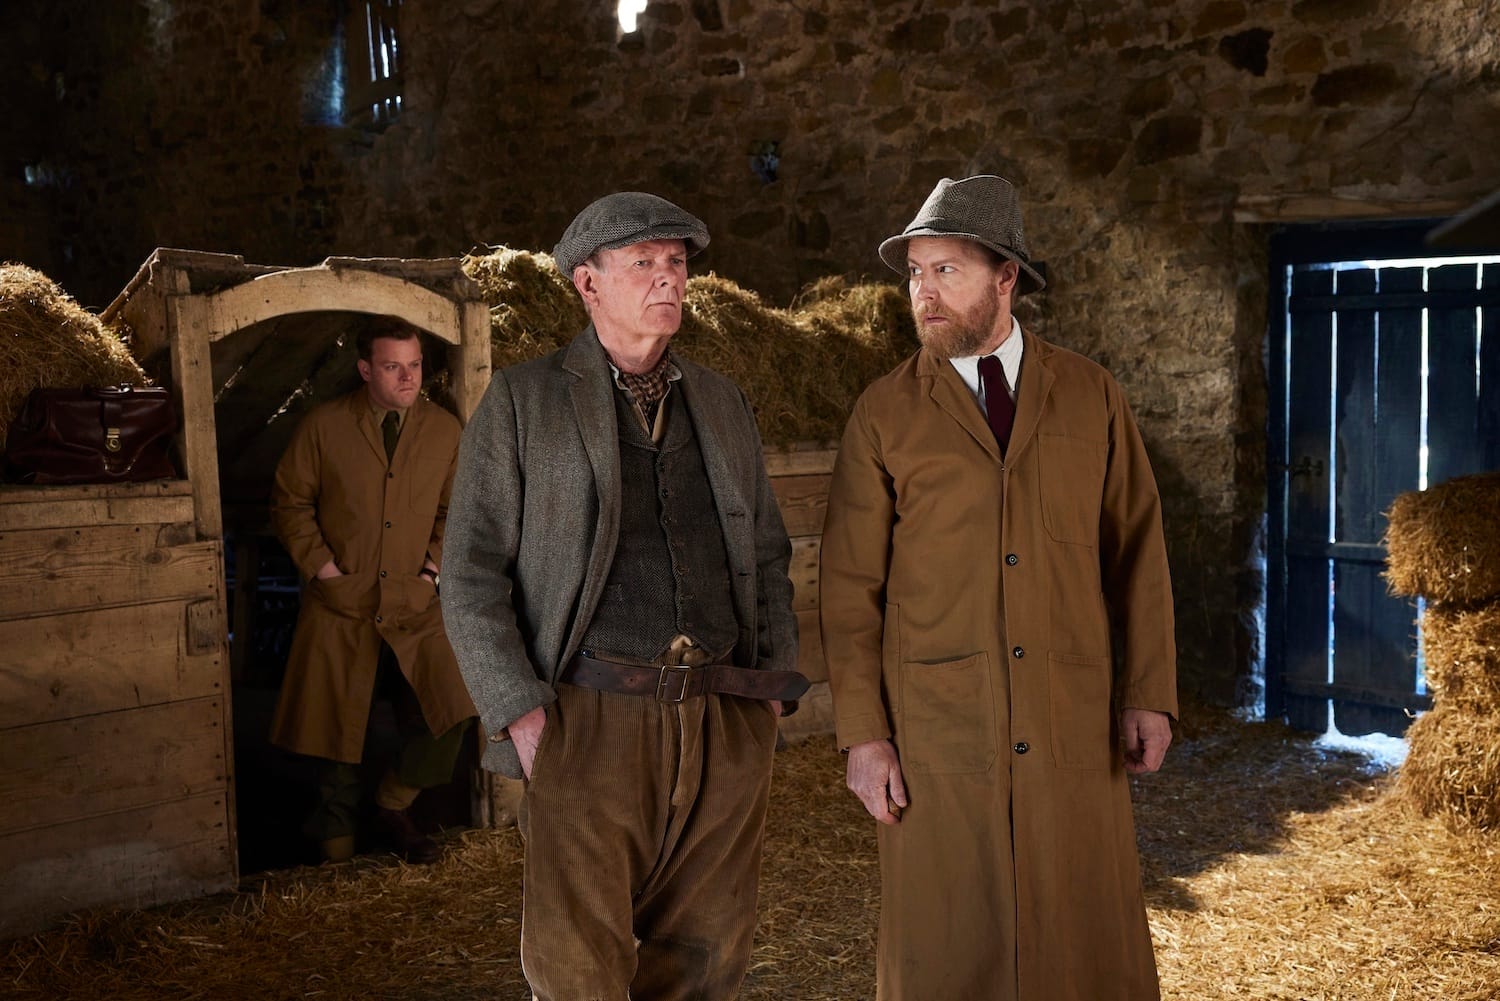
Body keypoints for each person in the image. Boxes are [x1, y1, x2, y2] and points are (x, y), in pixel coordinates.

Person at [819, 174, 1179, 1000]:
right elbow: (847, 589)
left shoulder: (1092, 397)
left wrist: (1150, 692)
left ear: (1005, 277)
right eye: (914, 273)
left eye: (946, 270)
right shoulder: (883, 415)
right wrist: (863, 734)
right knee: (947, 947)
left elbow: (1140, 553)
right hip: (939, 733)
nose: (924, 292)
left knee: (1082, 942)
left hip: (1071, 723)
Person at [441, 191, 807, 1001]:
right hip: (587, 714)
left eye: (676, 263)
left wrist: (770, 694)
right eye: (644, 262)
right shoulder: (524, 401)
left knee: (707, 951)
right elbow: (468, 572)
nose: (668, 279)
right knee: (580, 965)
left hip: (720, 712)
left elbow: (769, 550)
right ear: (587, 283)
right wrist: (518, 708)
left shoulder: (721, 400)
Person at [270, 316, 477, 865]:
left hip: (414, 598)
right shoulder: (323, 426)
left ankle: (394, 804)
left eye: (414, 366)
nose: (408, 378)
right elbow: (290, 504)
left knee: (458, 701)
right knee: (333, 731)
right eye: (392, 367)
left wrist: (432, 575)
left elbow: (454, 513)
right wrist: (324, 572)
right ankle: (335, 855)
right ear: (365, 370)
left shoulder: (445, 430)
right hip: (341, 602)